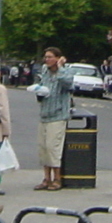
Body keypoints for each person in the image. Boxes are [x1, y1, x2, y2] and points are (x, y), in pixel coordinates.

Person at [35, 46, 73, 190]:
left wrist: (60, 67)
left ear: (58, 58)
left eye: (50, 57)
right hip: (44, 113)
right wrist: (38, 91)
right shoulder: (45, 71)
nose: (47, 60)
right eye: (46, 57)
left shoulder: (65, 71)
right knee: (43, 148)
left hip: (58, 115)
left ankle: (57, 179)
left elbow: (67, 83)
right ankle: (46, 178)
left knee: (53, 148)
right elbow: (41, 86)